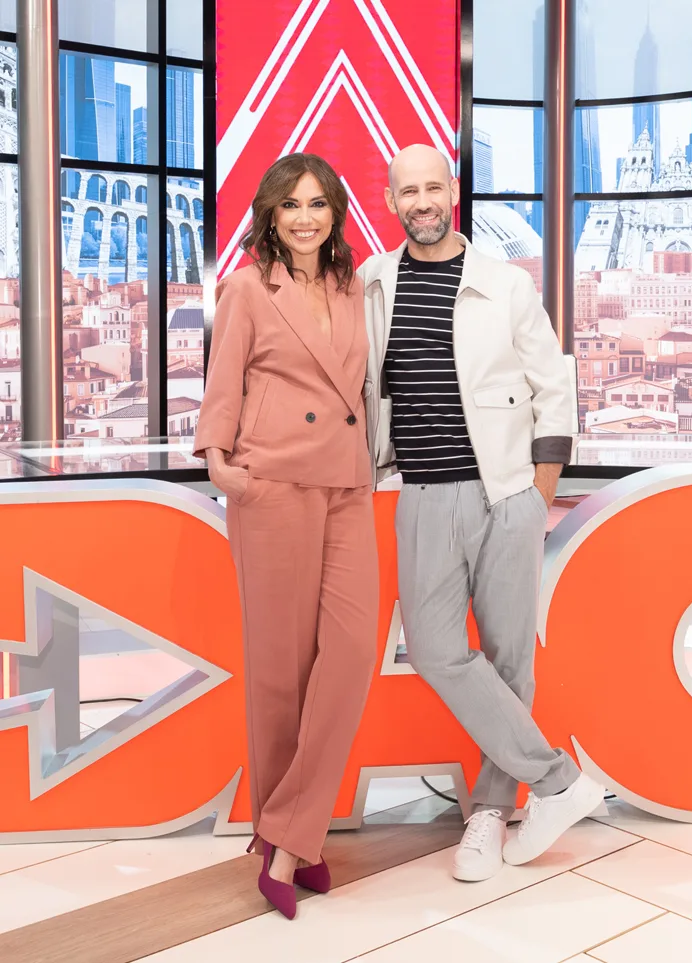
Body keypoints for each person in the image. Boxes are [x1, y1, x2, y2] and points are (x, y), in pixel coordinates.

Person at [360, 144, 604, 882]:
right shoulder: (372, 282)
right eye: (408, 191)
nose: (422, 202)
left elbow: (553, 384)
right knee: (436, 649)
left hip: (505, 492)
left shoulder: (504, 284)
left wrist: (539, 488)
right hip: (422, 493)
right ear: (391, 200)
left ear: (453, 191)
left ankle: (491, 812)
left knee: (508, 658)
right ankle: (558, 782)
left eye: (433, 187)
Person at [193, 153, 378, 919]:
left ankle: (288, 830)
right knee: (280, 671)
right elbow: (224, 379)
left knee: (352, 651)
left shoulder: (352, 285)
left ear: (336, 213)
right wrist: (219, 462)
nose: (306, 217)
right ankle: (291, 843)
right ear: (270, 214)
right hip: (271, 482)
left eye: (319, 203)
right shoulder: (247, 286)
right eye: (292, 204)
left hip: (347, 483)